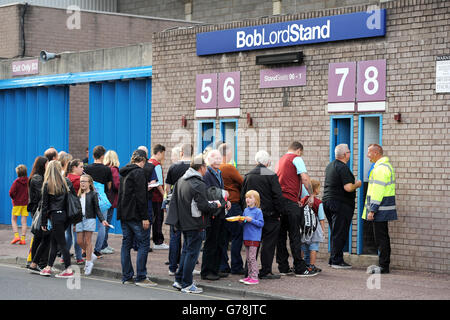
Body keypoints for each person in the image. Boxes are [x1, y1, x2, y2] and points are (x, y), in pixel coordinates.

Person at [166, 154, 222, 294]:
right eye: (205, 167)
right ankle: (187, 283)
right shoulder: (198, 183)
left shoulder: (181, 181)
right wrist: (216, 204)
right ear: (202, 167)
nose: (206, 170)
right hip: (196, 223)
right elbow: (203, 206)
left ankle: (179, 280)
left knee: (186, 251)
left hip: (183, 222)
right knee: (192, 253)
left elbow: (178, 201)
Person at [275, 141, 318, 277]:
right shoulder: (296, 158)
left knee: (281, 236)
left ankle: (283, 267)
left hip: (279, 202)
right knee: (295, 235)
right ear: (299, 150)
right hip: (291, 202)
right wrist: (311, 195)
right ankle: (299, 268)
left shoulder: (280, 160)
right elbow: (304, 178)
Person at [241, 150, 284, 279]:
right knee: (268, 244)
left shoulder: (248, 175)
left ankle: (248, 270)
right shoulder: (270, 174)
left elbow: (243, 196)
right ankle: (265, 270)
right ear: (267, 162)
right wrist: (279, 212)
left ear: (256, 161)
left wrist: (246, 211)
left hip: (252, 215)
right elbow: (277, 196)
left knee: (253, 244)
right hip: (269, 215)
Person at [117, 150, 156, 287]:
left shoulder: (124, 172)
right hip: (136, 215)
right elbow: (141, 197)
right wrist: (145, 217)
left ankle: (127, 276)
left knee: (126, 245)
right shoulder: (139, 172)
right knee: (144, 244)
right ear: (143, 161)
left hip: (124, 214)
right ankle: (141, 276)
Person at [323, 144, 361, 269]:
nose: (350, 153)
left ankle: (333, 258)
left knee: (335, 232)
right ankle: (336, 261)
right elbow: (348, 187)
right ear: (345, 154)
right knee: (340, 232)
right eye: (349, 151)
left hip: (328, 202)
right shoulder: (343, 168)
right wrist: (357, 184)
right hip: (340, 204)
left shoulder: (330, 166)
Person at [363, 144, 397, 274]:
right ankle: (383, 264)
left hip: (380, 209)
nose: (367, 155)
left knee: (381, 238)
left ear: (376, 153)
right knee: (383, 237)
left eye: (369, 152)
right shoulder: (383, 167)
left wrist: (372, 210)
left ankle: (383, 266)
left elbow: (377, 191)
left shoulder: (380, 169)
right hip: (383, 208)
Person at [39, 160, 75, 278]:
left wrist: (43, 222)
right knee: (54, 242)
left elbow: (45, 206)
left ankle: (68, 269)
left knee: (62, 243)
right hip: (65, 216)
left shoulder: (47, 184)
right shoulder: (66, 182)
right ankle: (48, 267)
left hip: (55, 217)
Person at [201, 149, 231, 281]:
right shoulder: (207, 174)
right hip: (212, 213)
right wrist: (221, 199)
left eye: (220, 158)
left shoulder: (219, 172)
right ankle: (207, 271)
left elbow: (220, 192)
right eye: (215, 158)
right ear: (209, 160)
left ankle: (216, 269)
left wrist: (226, 201)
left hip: (220, 213)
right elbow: (208, 193)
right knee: (211, 242)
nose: (218, 161)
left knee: (220, 242)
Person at [165, 144, 193, 276]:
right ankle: (187, 266)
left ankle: (172, 267)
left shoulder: (173, 167)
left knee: (174, 237)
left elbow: (167, 188)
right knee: (189, 237)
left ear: (181, 153)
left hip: (175, 205)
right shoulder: (193, 168)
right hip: (189, 207)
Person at [218, 143, 244, 275]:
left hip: (221, 206)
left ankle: (223, 265)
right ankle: (237, 265)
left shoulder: (215, 168)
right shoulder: (228, 167)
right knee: (237, 235)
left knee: (223, 236)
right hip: (233, 204)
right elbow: (242, 182)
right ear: (227, 153)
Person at [76, 174, 109, 275]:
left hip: (90, 219)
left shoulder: (93, 194)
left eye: (84, 181)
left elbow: (97, 209)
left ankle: (88, 262)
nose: (82, 183)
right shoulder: (78, 195)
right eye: (81, 181)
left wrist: (102, 220)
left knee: (88, 241)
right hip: (79, 220)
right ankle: (91, 254)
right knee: (79, 241)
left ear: (90, 183)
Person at [84, 145, 112, 258]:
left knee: (87, 226)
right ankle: (97, 250)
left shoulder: (87, 168)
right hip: (101, 201)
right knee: (102, 225)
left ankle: (86, 250)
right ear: (102, 156)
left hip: (88, 200)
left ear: (93, 155)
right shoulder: (107, 169)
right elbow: (109, 186)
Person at [27, 156, 49, 272]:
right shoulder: (37, 178)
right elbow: (42, 194)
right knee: (40, 236)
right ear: (42, 165)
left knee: (38, 236)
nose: (48, 165)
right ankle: (37, 262)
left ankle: (33, 262)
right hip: (36, 210)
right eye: (46, 164)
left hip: (38, 209)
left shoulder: (40, 177)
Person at [300, 179, 326, 273]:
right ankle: (311, 266)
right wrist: (323, 230)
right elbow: (321, 218)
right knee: (313, 247)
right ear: (315, 190)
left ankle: (302, 264)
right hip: (315, 229)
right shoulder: (318, 202)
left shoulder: (303, 200)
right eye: (319, 188)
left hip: (304, 228)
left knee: (303, 247)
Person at [239, 190, 264, 285]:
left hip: (254, 238)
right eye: (246, 197)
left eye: (250, 197)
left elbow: (261, 224)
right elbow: (245, 223)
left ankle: (254, 277)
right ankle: (249, 276)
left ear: (256, 200)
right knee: (248, 258)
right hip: (247, 237)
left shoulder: (258, 211)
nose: (247, 199)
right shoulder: (246, 210)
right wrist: (241, 220)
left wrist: (251, 220)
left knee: (252, 258)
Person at [65, 159, 85, 264]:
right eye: (81, 167)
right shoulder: (79, 180)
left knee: (68, 235)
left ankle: (64, 255)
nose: (83, 169)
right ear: (74, 168)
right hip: (76, 211)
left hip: (66, 210)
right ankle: (79, 257)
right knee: (78, 235)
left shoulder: (66, 178)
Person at [149, 144, 168, 250]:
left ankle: (155, 240)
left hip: (149, 197)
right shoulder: (157, 165)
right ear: (159, 152)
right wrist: (164, 196)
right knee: (158, 219)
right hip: (157, 197)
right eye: (163, 154)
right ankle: (158, 242)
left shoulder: (148, 162)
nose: (164, 157)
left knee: (152, 219)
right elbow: (159, 183)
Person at [101, 150, 120, 254]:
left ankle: (104, 244)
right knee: (106, 223)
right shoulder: (114, 170)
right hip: (110, 199)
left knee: (103, 223)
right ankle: (103, 245)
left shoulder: (104, 169)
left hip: (103, 199)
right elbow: (117, 185)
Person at [9, 164, 29, 245]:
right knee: (24, 222)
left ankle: (16, 236)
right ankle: (23, 239)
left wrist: (13, 198)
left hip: (17, 204)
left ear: (17, 173)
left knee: (14, 220)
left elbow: (11, 192)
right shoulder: (28, 181)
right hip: (25, 204)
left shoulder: (16, 182)